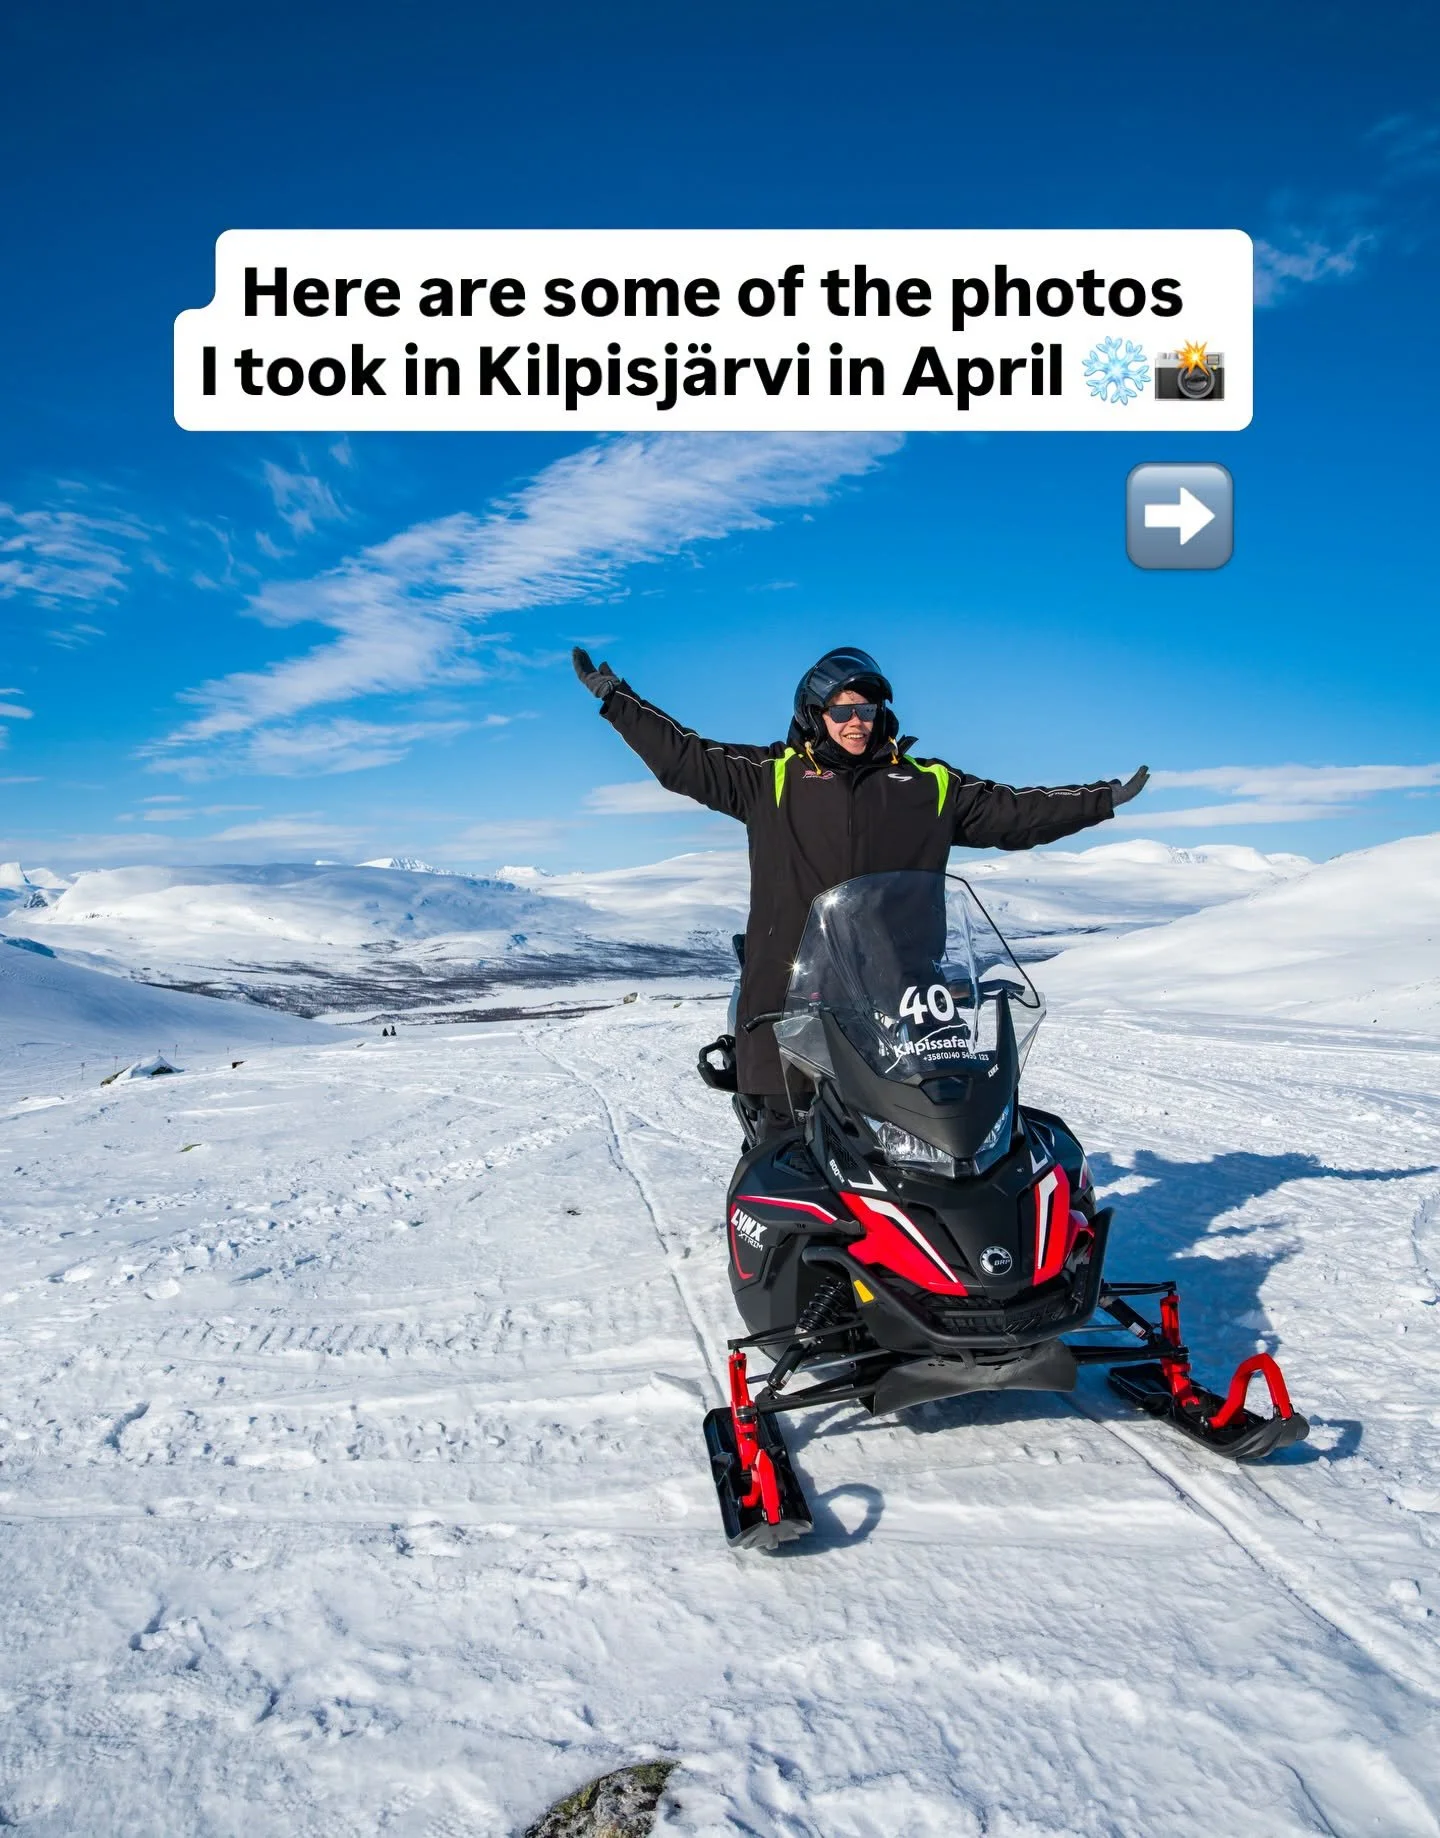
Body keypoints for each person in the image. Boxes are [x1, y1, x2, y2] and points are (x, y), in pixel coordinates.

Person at [573, 644, 1147, 1133]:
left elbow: (1014, 811)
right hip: (791, 995)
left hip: (903, 1000)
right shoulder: (771, 779)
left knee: (925, 1136)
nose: (856, 721)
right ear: (813, 714)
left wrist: (1098, 801)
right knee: (784, 1141)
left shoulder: (928, 784)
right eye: (841, 709)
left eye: (866, 708)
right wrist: (617, 700)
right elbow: (685, 759)